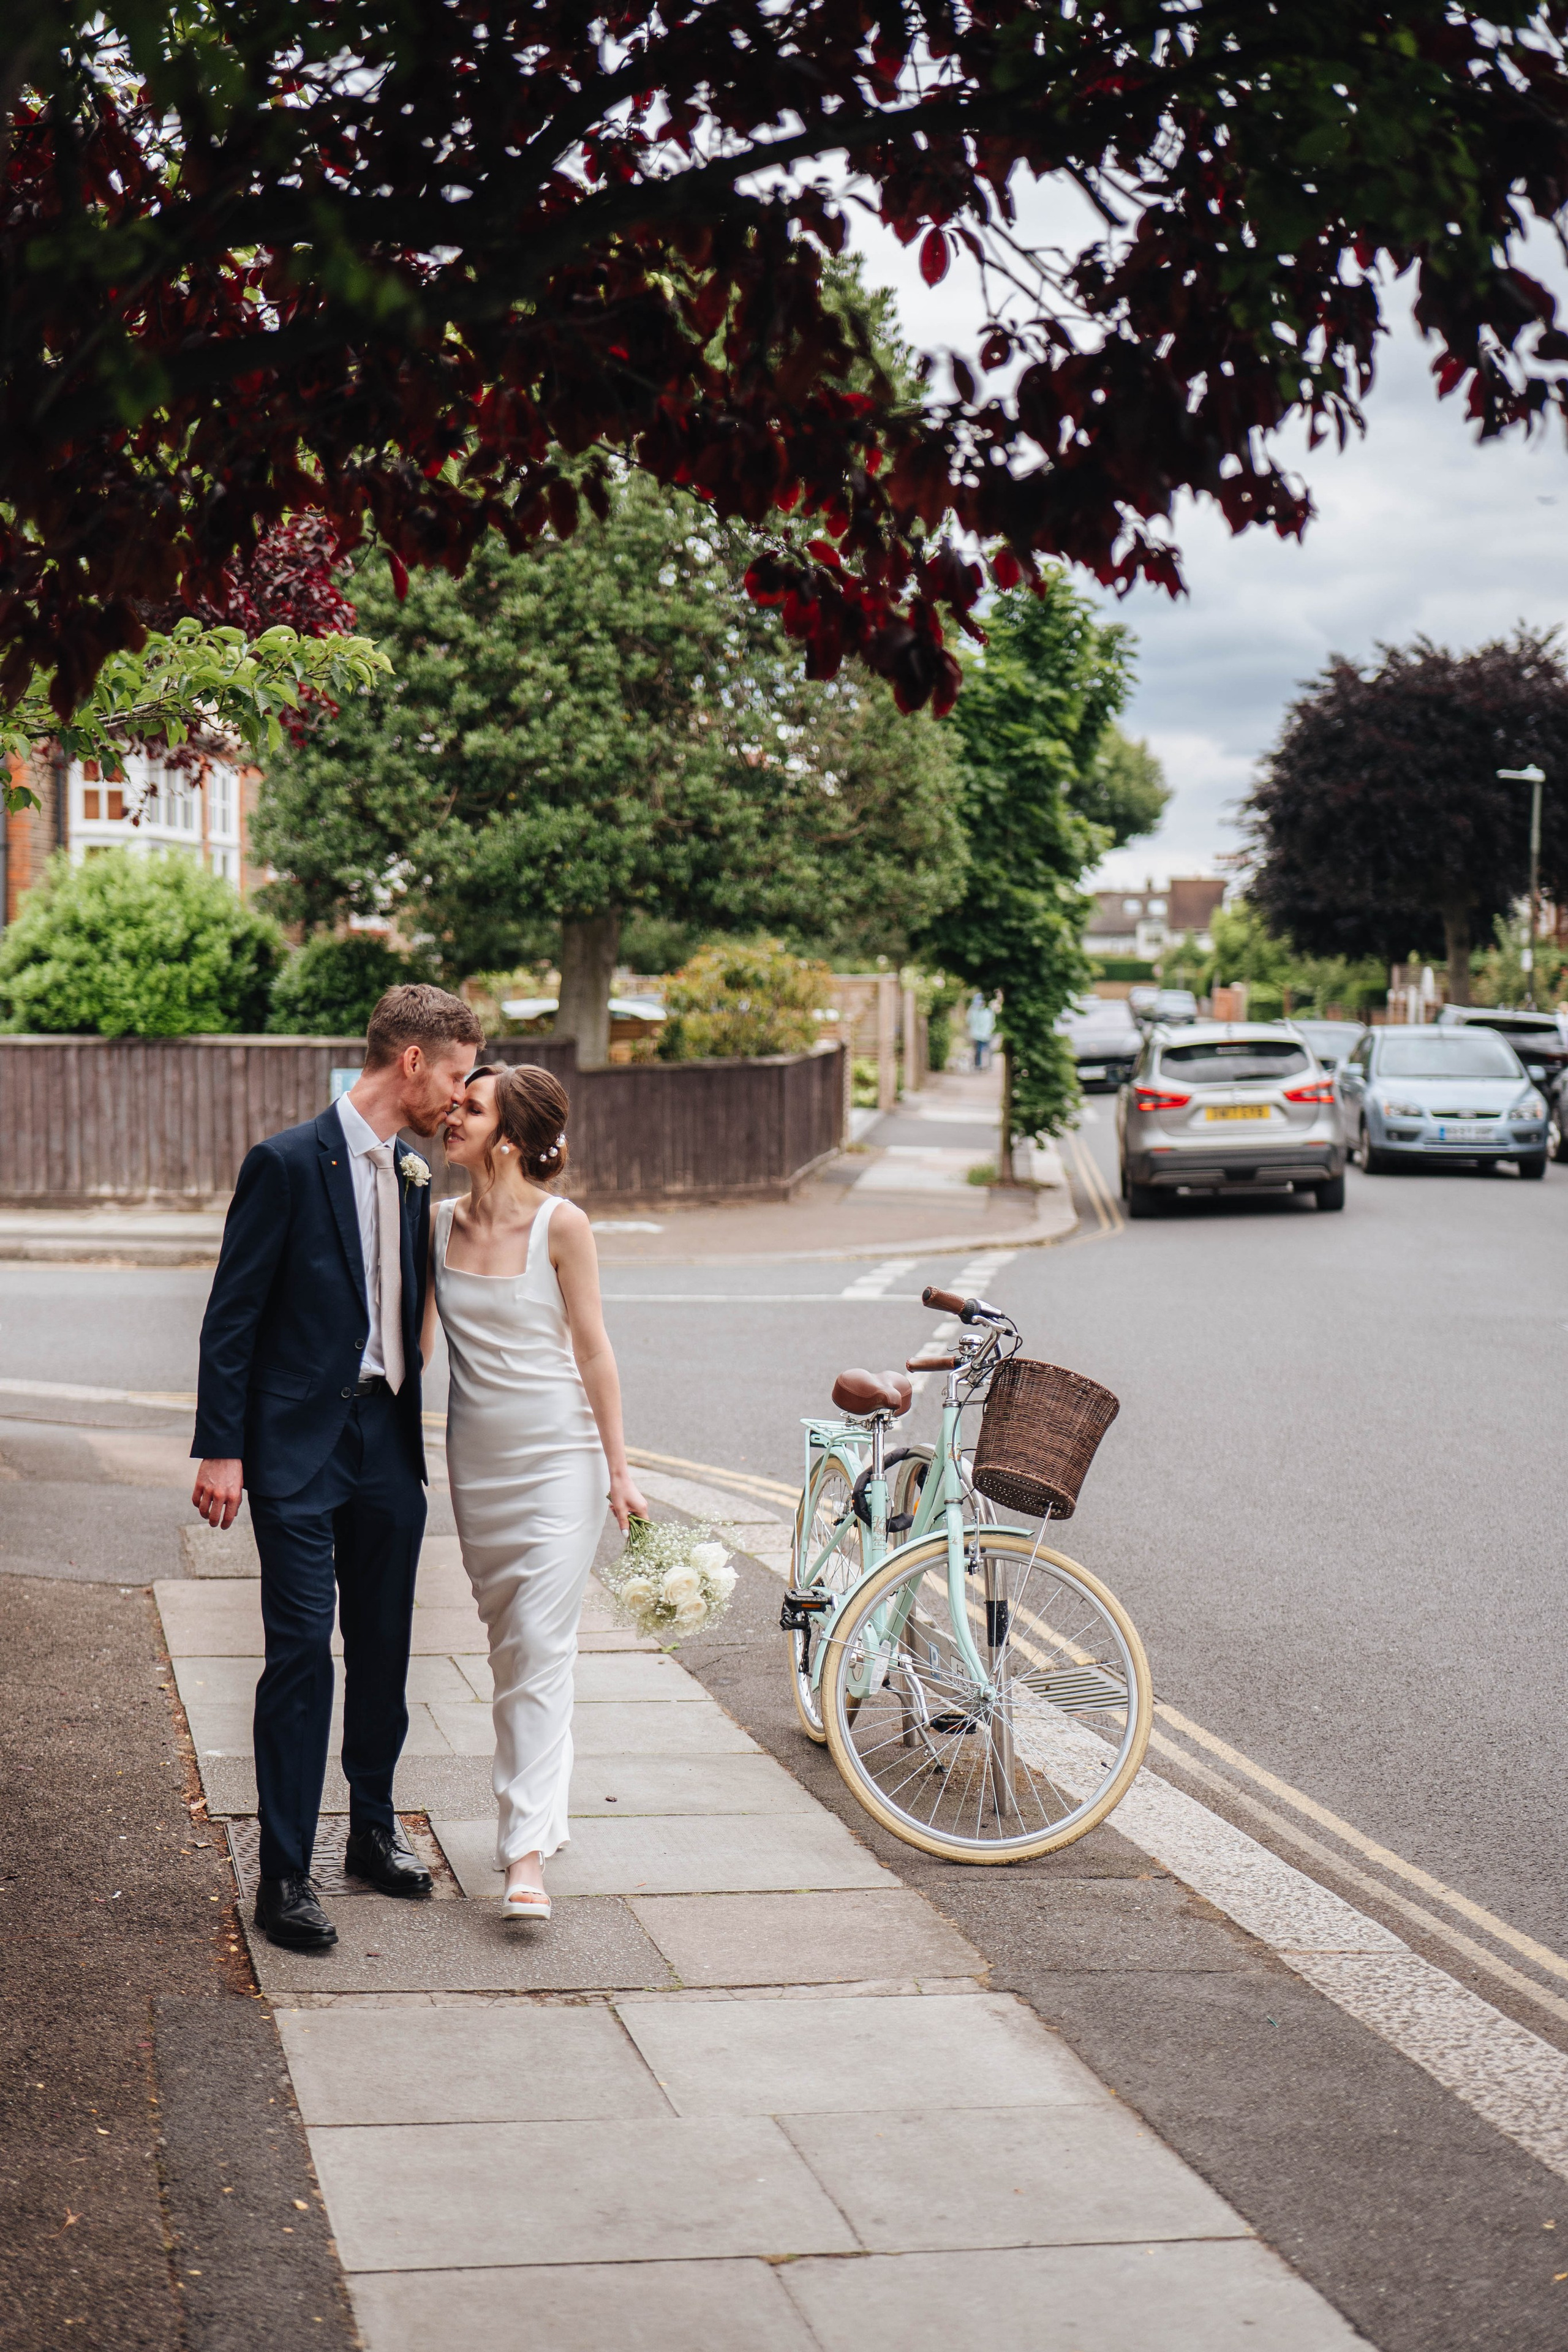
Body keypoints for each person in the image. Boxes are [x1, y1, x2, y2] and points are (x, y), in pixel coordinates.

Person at [190, 984, 484, 1952]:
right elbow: (234, 1316)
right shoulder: (283, 1162)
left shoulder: (412, 1170)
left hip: (386, 1449)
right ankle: (284, 1875)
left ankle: (371, 1830)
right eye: (452, 1074)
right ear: (411, 1063)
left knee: (388, 1651)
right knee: (301, 1654)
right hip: (294, 1451)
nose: (458, 1093)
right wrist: (221, 1448)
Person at [428, 1061, 647, 1920]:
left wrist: (619, 1470)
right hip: (478, 1470)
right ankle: (535, 1822)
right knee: (509, 1650)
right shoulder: (433, 1223)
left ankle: (524, 1854)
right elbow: (411, 1357)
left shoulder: (564, 1226)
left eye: (471, 1109)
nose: (453, 1115)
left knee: (542, 1648)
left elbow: (594, 1351)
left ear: (509, 1139)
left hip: (561, 1463)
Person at [966, 992, 997, 1071]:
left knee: (983, 1051)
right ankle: (980, 1066)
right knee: (981, 1051)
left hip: (984, 1034)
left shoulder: (987, 1010)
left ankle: (983, 1066)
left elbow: (968, 1021)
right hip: (979, 1034)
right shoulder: (974, 1010)